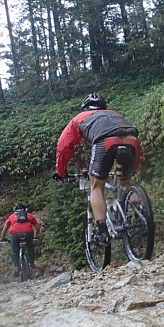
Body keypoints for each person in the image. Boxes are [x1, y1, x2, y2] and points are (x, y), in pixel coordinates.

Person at [53, 93, 141, 244]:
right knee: (126, 183)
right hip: (132, 140)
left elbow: (63, 146)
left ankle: (102, 231)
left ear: (84, 108)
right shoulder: (115, 114)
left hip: (104, 142)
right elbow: (128, 137)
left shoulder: (79, 118)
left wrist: (61, 172)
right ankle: (141, 216)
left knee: (96, 187)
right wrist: (133, 168)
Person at [1, 204, 41, 276]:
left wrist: (3, 238)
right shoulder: (29, 215)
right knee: (30, 248)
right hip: (28, 233)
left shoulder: (12, 216)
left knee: (15, 251)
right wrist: (35, 236)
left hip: (15, 235)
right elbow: (37, 228)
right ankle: (32, 265)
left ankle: (17, 267)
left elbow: (5, 229)